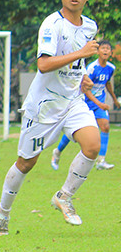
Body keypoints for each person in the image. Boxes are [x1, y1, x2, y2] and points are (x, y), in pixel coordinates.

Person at [0, 0, 100, 236]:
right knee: (27, 162)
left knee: (92, 146)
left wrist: (83, 74)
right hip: (43, 107)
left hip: (72, 101)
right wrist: (81, 54)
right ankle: (2, 213)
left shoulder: (90, 26)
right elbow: (44, 64)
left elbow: (77, 61)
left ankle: (64, 196)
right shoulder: (51, 24)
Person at [49, 40, 117, 171]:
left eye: (108, 49)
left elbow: (107, 83)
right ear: (97, 51)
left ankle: (101, 161)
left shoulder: (111, 68)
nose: (105, 51)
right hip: (85, 103)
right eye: (103, 48)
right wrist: (99, 103)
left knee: (105, 127)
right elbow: (85, 88)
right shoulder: (91, 68)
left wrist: (114, 99)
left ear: (111, 52)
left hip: (99, 104)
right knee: (74, 131)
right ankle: (57, 152)